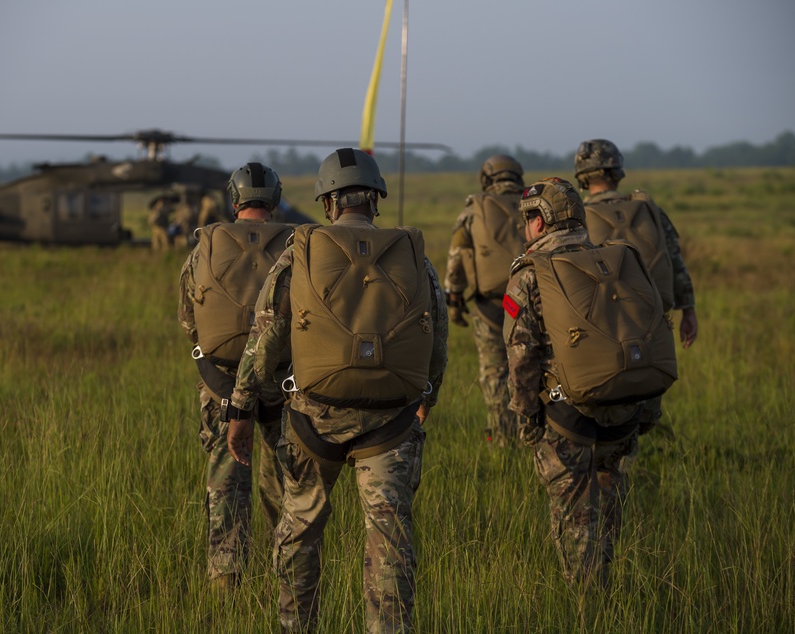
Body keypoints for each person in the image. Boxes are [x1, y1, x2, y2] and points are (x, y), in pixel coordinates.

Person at [225, 148, 448, 632]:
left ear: (328, 203)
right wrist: (426, 400)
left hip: (312, 422)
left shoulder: (300, 253)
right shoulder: (414, 256)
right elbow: (437, 340)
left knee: (299, 534)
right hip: (392, 423)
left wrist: (241, 408)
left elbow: (264, 342)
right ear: (375, 199)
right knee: (390, 543)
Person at [503, 177, 676, 589]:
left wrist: (527, 424)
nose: (527, 228)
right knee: (609, 509)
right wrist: (648, 410)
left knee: (576, 522)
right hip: (624, 411)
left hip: (565, 419)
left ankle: (588, 609)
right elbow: (654, 331)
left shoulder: (529, 276)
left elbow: (520, 358)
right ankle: (610, 588)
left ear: (540, 223)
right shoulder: (620, 263)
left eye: (529, 219)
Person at [177, 162, 294, 588]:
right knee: (285, 480)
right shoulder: (297, 247)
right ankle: (287, 575)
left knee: (226, 481)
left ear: (234, 200)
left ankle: (226, 580)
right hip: (283, 380)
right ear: (276, 200)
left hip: (221, 381)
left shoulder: (205, 248)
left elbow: (189, 319)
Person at [574, 138, 698, 435]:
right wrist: (689, 311)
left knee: (606, 417)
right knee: (644, 412)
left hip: (605, 332)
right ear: (618, 171)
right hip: (652, 324)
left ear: (582, 176)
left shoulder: (577, 218)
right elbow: (675, 262)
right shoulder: (648, 209)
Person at [444, 154, 527, 445]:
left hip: (492, 305)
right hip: (531, 305)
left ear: (487, 179)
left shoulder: (473, 210)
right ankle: (530, 433)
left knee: (494, 372)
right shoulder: (534, 206)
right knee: (531, 368)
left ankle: (501, 438)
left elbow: (456, 258)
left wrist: (453, 299)